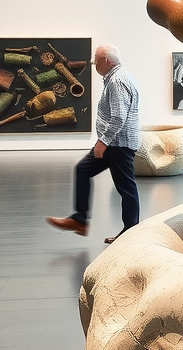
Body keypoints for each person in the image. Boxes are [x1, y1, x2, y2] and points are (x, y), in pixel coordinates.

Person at [46, 44, 141, 244]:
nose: (93, 63)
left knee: (126, 188)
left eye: (95, 60)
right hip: (114, 143)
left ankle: (132, 234)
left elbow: (118, 117)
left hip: (117, 144)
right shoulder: (118, 77)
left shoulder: (117, 81)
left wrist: (102, 142)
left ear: (106, 61)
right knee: (83, 169)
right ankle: (80, 220)